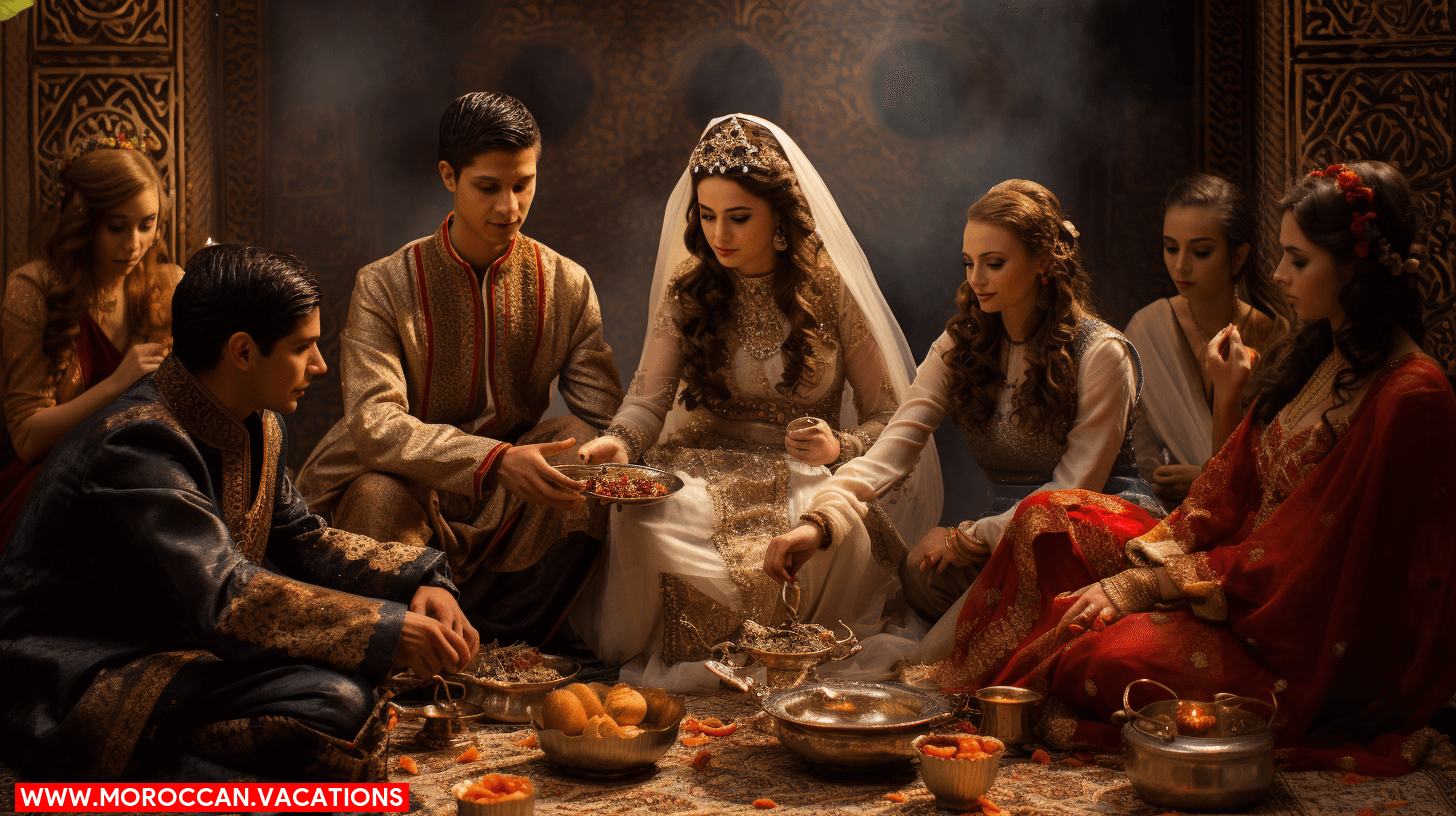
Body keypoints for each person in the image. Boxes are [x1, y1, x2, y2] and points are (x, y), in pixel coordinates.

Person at [905, 161, 1455, 776]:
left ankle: (1011, 681)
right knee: (1047, 518)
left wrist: (1148, 587)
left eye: (1298, 261)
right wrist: (1149, 570)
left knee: (1097, 657)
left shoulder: (1411, 395)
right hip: (1224, 575)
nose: (1277, 275)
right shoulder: (1319, 358)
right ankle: (964, 682)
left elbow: (1312, 561)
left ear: (1358, 269)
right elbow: (1225, 492)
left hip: (1291, 634)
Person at [0, 244, 478, 782]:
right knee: (339, 698)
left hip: (178, 653)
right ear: (243, 351)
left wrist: (417, 580)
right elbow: (228, 598)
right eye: (304, 348)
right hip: (79, 675)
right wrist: (390, 631)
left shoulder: (254, 423)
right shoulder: (137, 443)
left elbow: (302, 537)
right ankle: (147, 778)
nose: (320, 366)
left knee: (349, 688)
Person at [571, 114, 943, 690]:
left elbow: (891, 419)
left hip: (803, 473)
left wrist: (840, 444)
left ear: (779, 219)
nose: (720, 234)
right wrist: (616, 442)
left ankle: (778, 657)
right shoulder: (689, 290)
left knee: (829, 530)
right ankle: (716, 661)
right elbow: (646, 403)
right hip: (698, 469)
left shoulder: (830, 290)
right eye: (708, 216)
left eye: (739, 218)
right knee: (648, 517)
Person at [295, 92, 623, 647]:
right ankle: (406, 653)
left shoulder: (567, 284)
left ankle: (508, 647)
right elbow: (375, 425)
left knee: (581, 446)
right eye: (489, 187)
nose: (509, 208)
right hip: (401, 486)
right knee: (378, 493)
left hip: (507, 507)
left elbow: (608, 417)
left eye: (523, 184)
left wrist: (601, 453)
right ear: (449, 175)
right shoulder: (385, 284)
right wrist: (493, 461)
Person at [766, 179, 1162, 638]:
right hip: (1003, 537)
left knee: (933, 657)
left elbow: (1072, 490)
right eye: (969, 263)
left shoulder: (1102, 354)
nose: (976, 280)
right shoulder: (962, 344)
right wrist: (819, 523)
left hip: (1087, 532)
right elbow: (891, 450)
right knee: (919, 575)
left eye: (994, 264)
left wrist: (969, 536)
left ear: (1044, 262)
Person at [0, 128, 181, 550]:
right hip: (56, 483)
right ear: (84, 222)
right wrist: (118, 382)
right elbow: (27, 438)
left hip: (150, 473)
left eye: (147, 224)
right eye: (116, 226)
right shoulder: (34, 289)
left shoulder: (167, 285)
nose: (134, 244)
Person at [1125, 173, 1288, 509]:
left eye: (1200, 252)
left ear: (1238, 256)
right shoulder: (1147, 328)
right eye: (1171, 248)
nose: (1180, 265)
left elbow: (1281, 455)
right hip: (1161, 509)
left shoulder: (1273, 336)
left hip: (1252, 512)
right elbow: (1139, 457)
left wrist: (1204, 476)